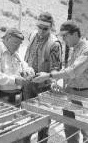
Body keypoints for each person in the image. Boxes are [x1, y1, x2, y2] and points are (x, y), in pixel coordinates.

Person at [32, 20, 88, 143]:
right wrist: (57, 84)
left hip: (85, 95)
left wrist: (48, 75)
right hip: (70, 93)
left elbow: (73, 71)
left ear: (74, 34)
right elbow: (67, 71)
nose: (63, 39)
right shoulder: (75, 49)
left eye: (65, 36)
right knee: (70, 128)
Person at [23, 12, 62, 143]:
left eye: (45, 28)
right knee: (27, 118)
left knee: (43, 122)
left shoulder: (54, 44)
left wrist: (52, 81)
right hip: (29, 83)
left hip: (43, 87)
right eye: (39, 26)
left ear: (51, 27)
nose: (41, 31)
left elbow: (55, 68)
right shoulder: (33, 35)